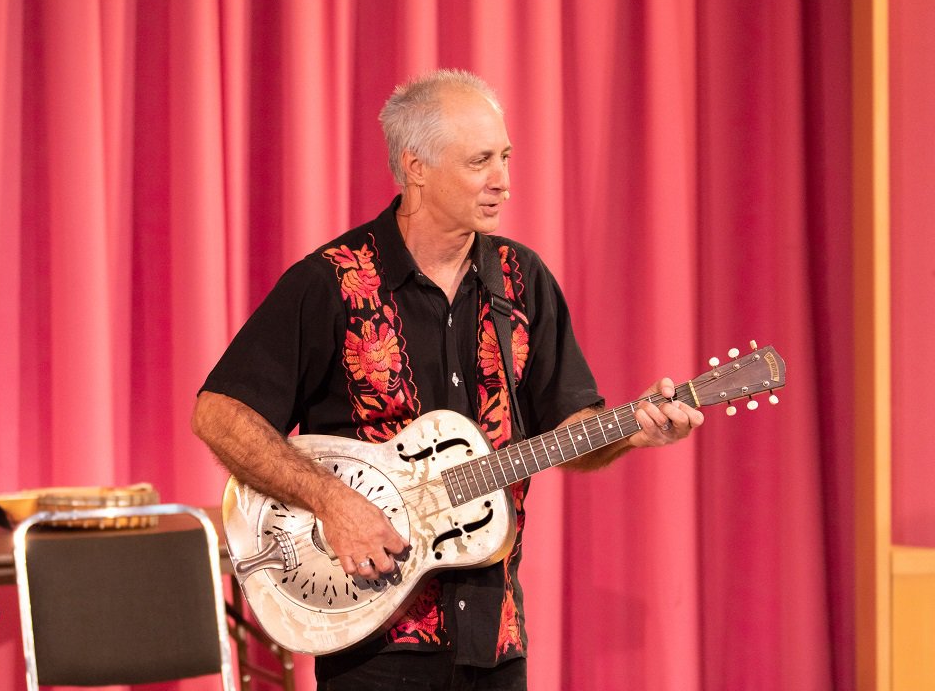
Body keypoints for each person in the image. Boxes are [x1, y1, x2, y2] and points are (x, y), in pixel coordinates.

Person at [192, 68, 703, 691]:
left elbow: (573, 431)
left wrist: (634, 431)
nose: (504, 181)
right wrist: (332, 502)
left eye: (506, 157)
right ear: (417, 168)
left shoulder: (522, 280)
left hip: (494, 638)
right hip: (371, 644)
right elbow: (218, 414)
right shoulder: (331, 281)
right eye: (480, 161)